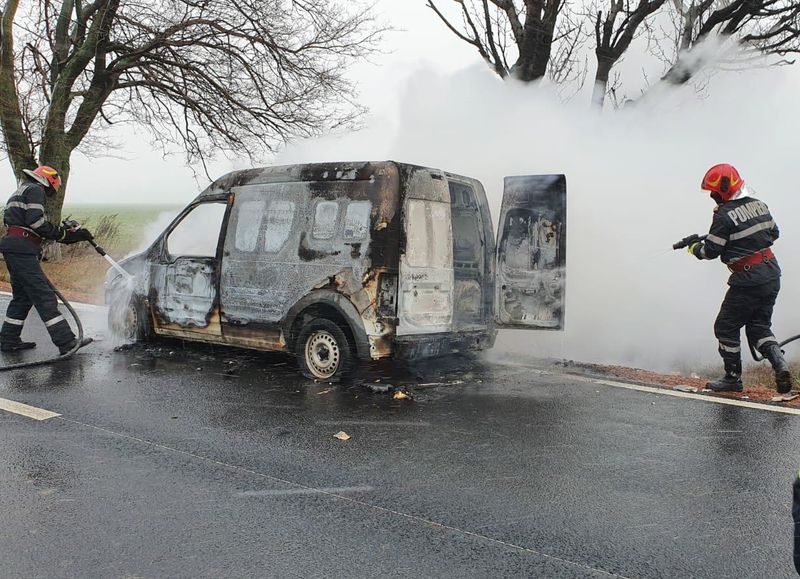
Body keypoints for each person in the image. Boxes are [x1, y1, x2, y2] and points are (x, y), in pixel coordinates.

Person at [688, 163, 792, 393]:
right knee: (759, 327)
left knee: (725, 327)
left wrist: (693, 247)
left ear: (723, 190)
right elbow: (773, 233)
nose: (712, 196)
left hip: (748, 280)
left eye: (713, 192)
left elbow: (710, 252)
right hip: (772, 274)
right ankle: (780, 364)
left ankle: (732, 379)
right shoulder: (759, 205)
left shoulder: (724, 216)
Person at [0, 166, 94, 355]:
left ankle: (8, 340)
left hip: (15, 247)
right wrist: (64, 234)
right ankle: (66, 342)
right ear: (49, 181)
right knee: (44, 296)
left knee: (22, 297)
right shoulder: (36, 190)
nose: (51, 192)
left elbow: (25, 223)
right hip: (21, 250)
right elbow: (36, 223)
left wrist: (65, 235)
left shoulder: (22, 190)